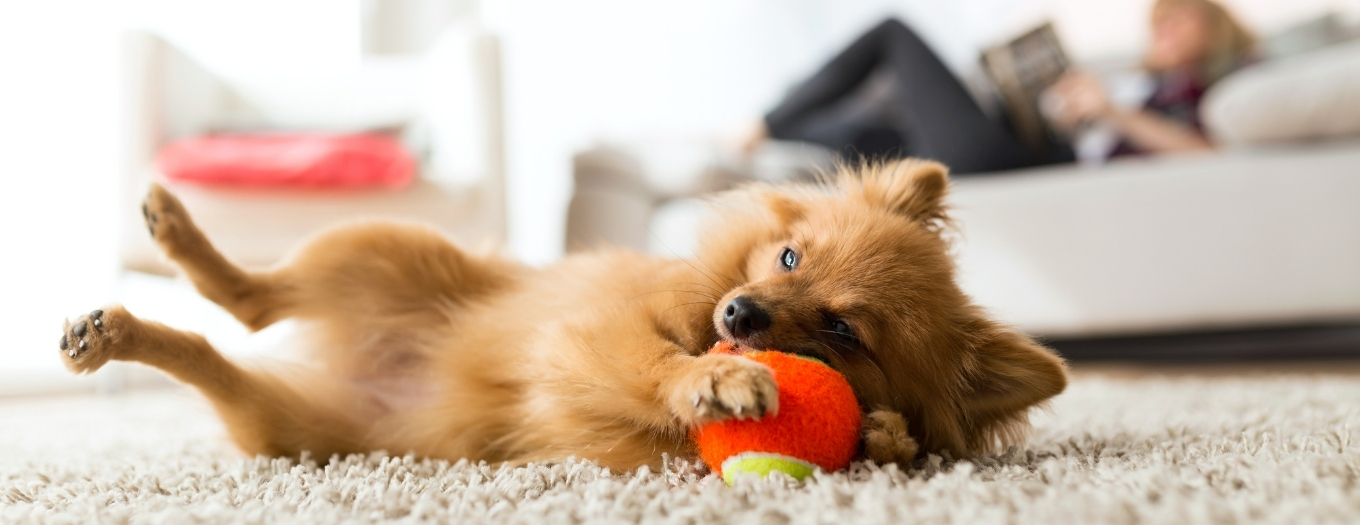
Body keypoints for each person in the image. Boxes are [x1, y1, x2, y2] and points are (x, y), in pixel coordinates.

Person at [738, 0, 1257, 175]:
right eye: (1159, 21)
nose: (1162, 29)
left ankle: (764, 124)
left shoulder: (1206, 89)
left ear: (1216, 28)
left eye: (1180, 19)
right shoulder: (1143, 78)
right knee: (870, 134)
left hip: (1011, 161)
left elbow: (1209, 152)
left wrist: (1112, 113)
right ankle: (776, 136)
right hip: (1023, 143)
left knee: (893, 34)